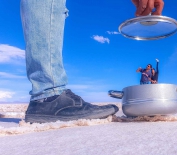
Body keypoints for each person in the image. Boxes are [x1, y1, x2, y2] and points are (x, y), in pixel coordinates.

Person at [20, 0, 165, 123]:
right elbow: (139, 71)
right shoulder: (144, 70)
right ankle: (48, 95)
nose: (147, 66)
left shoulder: (151, 70)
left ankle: (46, 94)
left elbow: (154, 74)